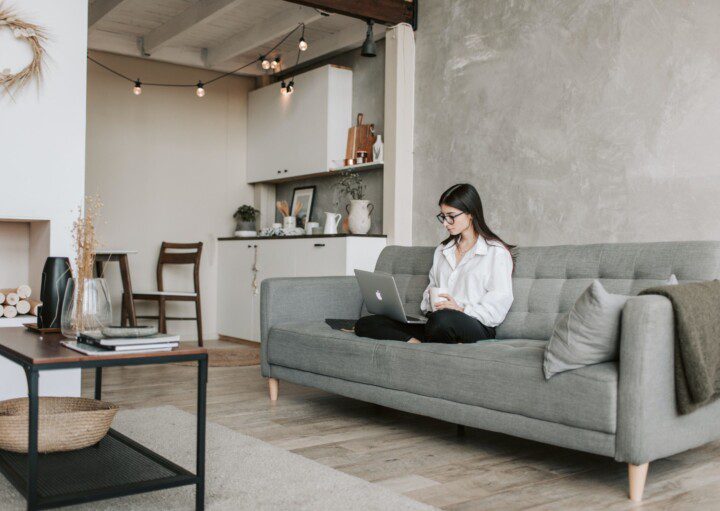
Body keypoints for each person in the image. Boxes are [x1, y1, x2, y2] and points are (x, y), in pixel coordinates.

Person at [355, 183, 514, 344]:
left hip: (475, 324)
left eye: (451, 216)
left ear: (471, 213)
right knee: (366, 323)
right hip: (437, 321)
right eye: (443, 216)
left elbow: (499, 304)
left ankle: (432, 338)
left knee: (441, 321)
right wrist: (431, 302)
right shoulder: (443, 250)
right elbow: (431, 290)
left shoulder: (496, 252)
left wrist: (461, 309)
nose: (445, 223)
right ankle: (415, 344)